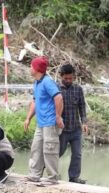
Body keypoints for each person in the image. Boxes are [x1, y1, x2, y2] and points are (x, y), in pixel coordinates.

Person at [24, 56, 64, 184]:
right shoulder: (36, 82)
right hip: (41, 123)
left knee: (50, 150)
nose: (30, 68)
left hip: (50, 123)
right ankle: (34, 175)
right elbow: (35, 101)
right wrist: (28, 118)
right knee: (36, 148)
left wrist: (58, 116)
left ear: (37, 69)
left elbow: (58, 98)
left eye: (31, 66)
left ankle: (52, 178)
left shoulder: (47, 82)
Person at [59, 64, 88, 184]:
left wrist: (84, 122)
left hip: (76, 129)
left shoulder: (78, 89)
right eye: (66, 78)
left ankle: (74, 178)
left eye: (71, 78)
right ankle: (44, 171)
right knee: (57, 152)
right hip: (62, 130)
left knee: (77, 154)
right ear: (61, 76)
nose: (69, 81)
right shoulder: (56, 89)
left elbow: (82, 107)